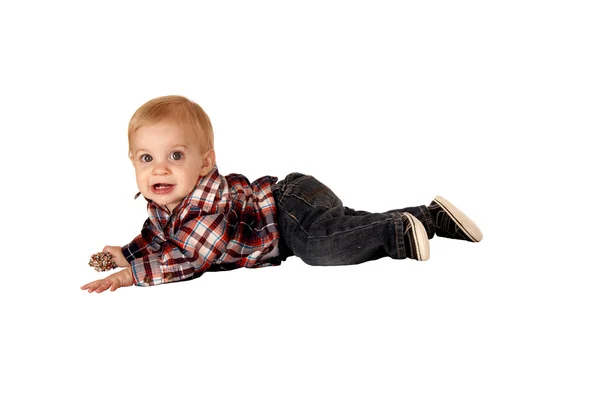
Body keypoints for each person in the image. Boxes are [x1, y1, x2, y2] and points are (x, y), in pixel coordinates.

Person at [81, 95, 483, 293]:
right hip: (289, 207)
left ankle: (397, 236)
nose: (159, 169)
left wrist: (133, 274)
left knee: (319, 248)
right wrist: (128, 251)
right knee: (345, 227)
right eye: (147, 158)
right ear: (132, 162)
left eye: (175, 155)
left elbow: (192, 257)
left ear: (205, 162)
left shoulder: (204, 202)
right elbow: (161, 236)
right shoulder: (164, 204)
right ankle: (430, 218)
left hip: (286, 211)